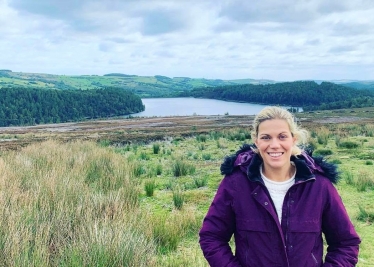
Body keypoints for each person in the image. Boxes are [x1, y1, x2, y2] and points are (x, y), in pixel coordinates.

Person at [199, 106, 360, 266]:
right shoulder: (236, 184)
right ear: (256, 141)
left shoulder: (319, 186)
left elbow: (345, 243)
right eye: (266, 137)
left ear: (293, 139)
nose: (274, 145)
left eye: (282, 136)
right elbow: (212, 237)